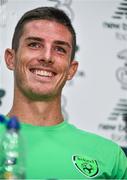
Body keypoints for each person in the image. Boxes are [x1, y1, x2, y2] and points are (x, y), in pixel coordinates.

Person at [1, 6, 127, 179]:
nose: (47, 57)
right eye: (34, 44)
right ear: (11, 59)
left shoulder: (110, 156)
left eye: (59, 49)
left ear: (71, 70)